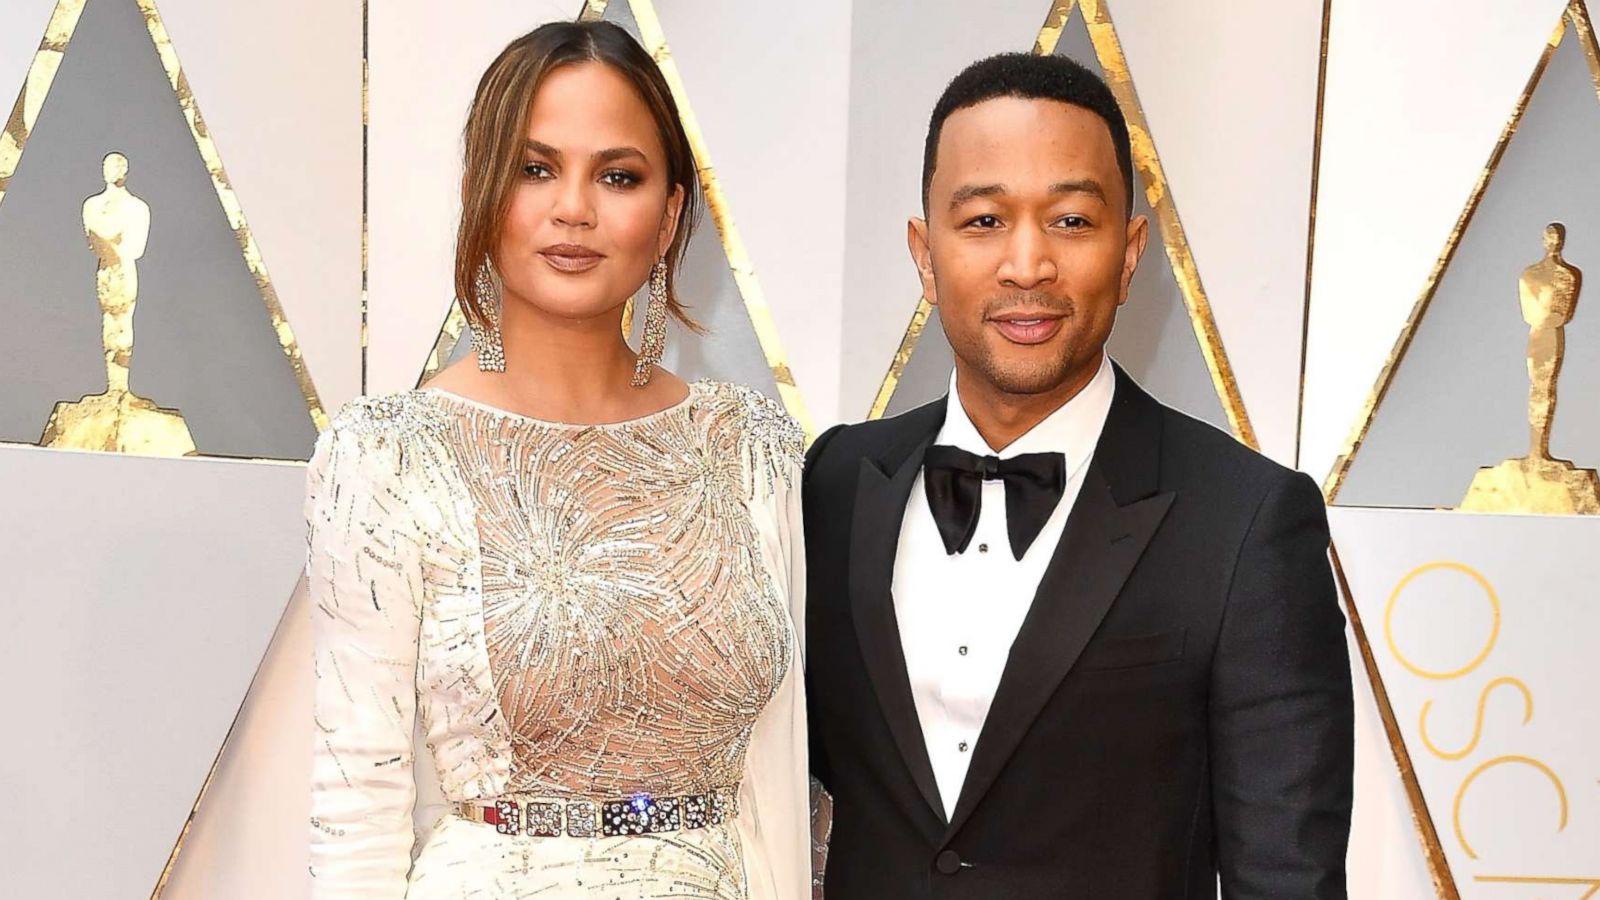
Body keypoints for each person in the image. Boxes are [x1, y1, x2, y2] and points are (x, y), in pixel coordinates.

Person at [803, 53, 1353, 898]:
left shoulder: (1245, 519)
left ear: (1130, 253)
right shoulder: (834, 483)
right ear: (925, 253)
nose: (1028, 266)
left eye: (1070, 220)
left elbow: (1286, 875)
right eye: (983, 221)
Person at [305, 21, 808, 899]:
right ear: (480, 191)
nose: (574, 207)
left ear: (672, 214)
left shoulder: (749, 451)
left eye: (619, 176)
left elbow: (780, 777)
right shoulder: (387, 455)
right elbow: (356, 797)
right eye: (536, 169)